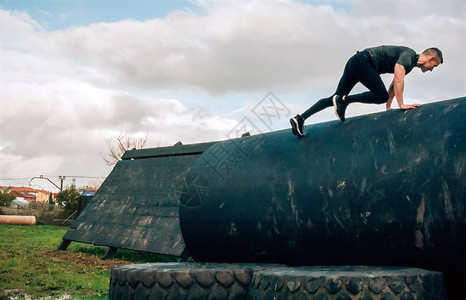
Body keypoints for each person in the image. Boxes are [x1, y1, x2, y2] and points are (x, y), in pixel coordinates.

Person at [290, 45, 443, 137]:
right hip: (364, 62)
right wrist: (401, 104)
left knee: (335, 97)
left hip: (356, 61)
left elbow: (392, 86)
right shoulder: (409, 56)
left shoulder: (408, 64)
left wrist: (388, 107)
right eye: (434, 66)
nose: (431, 70)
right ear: (429, 59)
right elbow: (398, 79)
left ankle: (300, 118)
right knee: (378, 95)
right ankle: (343, 101)